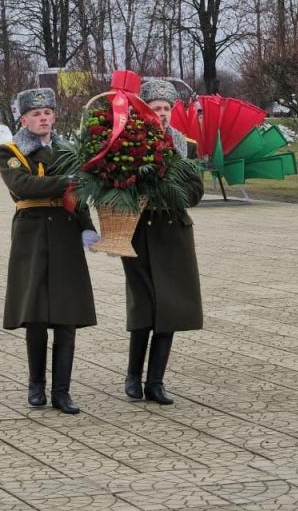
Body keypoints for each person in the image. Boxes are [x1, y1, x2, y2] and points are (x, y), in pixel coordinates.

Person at [0, 88, 97, 415]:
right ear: (23, 119)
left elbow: (78, 194)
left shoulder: (68, 150)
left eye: (47, 112)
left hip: (65, 234)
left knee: (67, 317)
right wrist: (67, 181)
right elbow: (23, 185)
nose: (42, 118)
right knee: (37, 316)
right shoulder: (11, 150)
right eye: (35, 113)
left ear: (54, 116)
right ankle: (36, 386)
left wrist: (86, 224)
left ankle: (62, 392)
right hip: (33, 235)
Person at [120, 79, 205, 405]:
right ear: (144, 112)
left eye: (167, 108)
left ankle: (155, 381)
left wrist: (169, 190)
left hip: (173, 233)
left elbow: (195, 191)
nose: (162, 113)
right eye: (156, 108)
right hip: (139, 232)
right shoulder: (129, 144)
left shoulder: (186, 146)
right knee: (143, 306)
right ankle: (133, 376)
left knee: (170, 307)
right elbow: (119, 185)